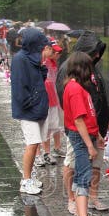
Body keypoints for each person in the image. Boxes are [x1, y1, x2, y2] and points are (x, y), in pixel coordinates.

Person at [57, 31, 109, 214]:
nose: (98, 56)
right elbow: (69, 105)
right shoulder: (69, 70)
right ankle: (72, 199)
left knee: (96, 164)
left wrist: (100, 129)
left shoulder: (91, 67)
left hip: (97, 127)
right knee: (73, 163)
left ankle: (92, 197)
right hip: (79, 130)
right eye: (95, 52)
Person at [62, 51, 102, 216]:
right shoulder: (76, 90)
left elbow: (87, 116)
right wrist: (90, 145)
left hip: (86, 136)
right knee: (83, 178)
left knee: (83, 176)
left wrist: (98, 135)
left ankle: (83, 214)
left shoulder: (76, 87)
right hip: (81, 138)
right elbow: (78, 121)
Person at [10, 27, 50, 195]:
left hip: (36, 108)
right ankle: (25, 181)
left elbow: (39, 80)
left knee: (35, 144)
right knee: (32, 144)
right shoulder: (20, 59)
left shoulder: (33, 59)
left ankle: (30, 177)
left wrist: (42, 65)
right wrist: (31, 102)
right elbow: (20, 87)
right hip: (29, 110)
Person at [35, 38, 64, 167]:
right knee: (41, 127)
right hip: (43, 99)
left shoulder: (53, 63)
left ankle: (47, 152)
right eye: (54, 52)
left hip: (53, 99)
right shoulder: (42, 62)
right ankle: (39, 154)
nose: (57, 55)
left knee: (52, 126)